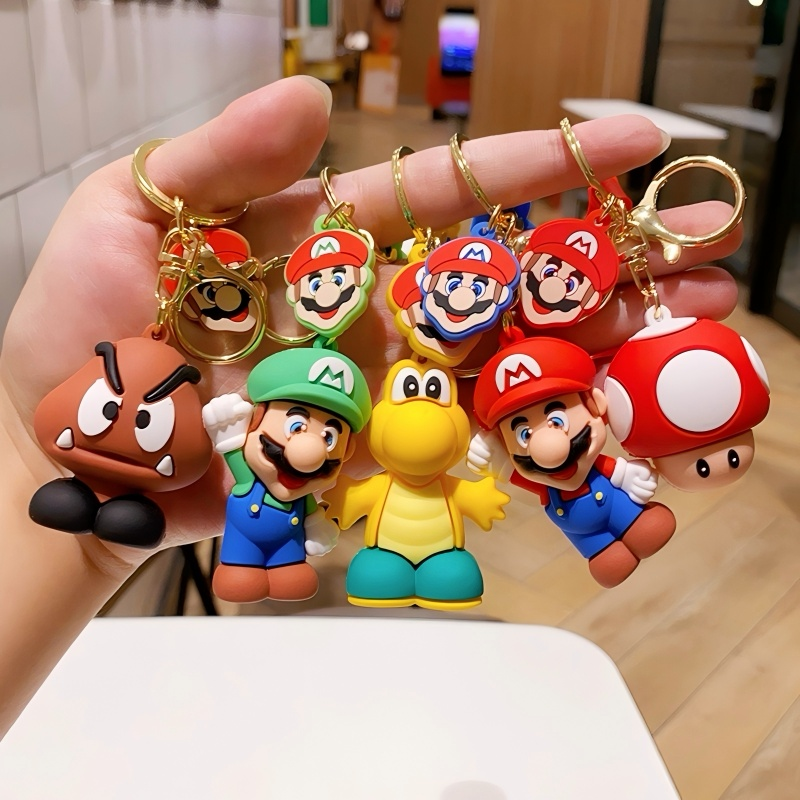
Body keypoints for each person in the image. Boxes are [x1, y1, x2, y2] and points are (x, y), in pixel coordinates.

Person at [0, 75, 741, 736]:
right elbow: (275, 459)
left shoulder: (537, 441)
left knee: (566, 523)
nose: (306, 445)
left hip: (537, 497)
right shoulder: (256, 448)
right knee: (264, 560)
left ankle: (604, 535)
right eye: (299, 424)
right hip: (261, 518)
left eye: (326, 432)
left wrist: (493, 476)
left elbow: (480, 477)